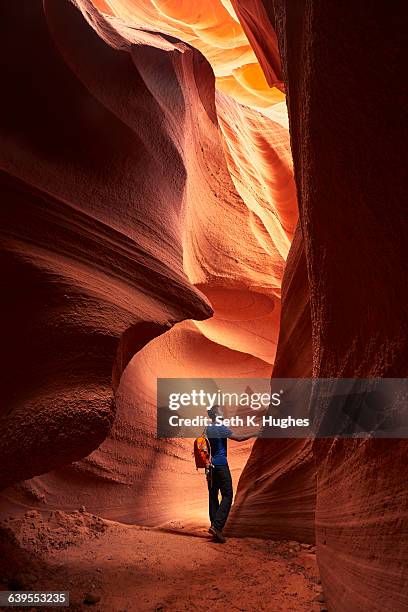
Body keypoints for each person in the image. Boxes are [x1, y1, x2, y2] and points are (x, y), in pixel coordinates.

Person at [206, 406, 256, 543]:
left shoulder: (208, 428)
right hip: (221, 464)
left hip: (211, 466)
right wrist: (255, 433)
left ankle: (214, 525)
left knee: (213, 495)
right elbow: (238, 438)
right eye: (221, 411)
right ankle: (217, 526)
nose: (224, 412)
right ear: (216, 414)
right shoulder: (221, 427)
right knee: (227, 494)